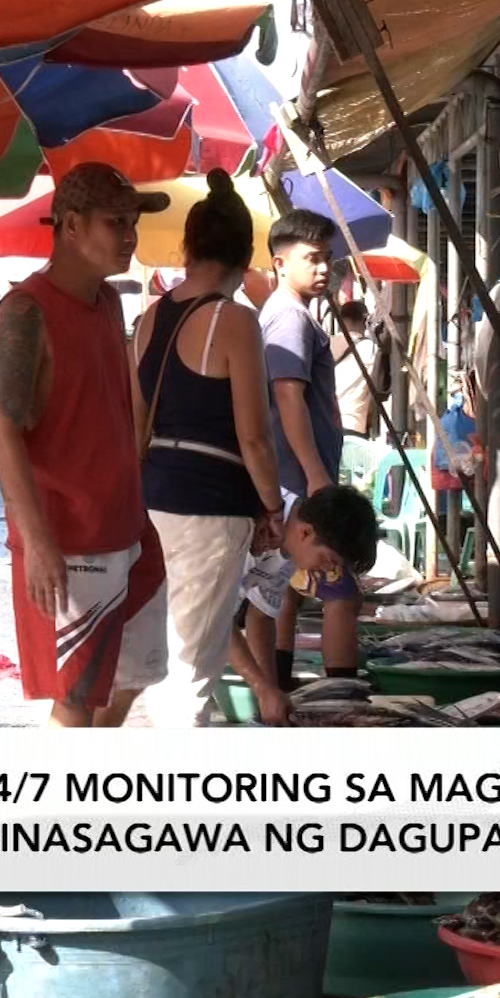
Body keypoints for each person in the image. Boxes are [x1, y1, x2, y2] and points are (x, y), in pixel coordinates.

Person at [0, 161, 172, 728]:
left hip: (124, 526)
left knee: (127, 680)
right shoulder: (25, 310)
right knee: (76, 695)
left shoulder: (110, 301)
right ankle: (60, 811)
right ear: (70, 226)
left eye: (132, 222)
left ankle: (81, 795)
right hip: (69, 537)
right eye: (116, 222)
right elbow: (0, 428)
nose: (130, 236)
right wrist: (38, 542)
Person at [131, 169, 292, 727]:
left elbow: (135, 425)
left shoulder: (150, 317)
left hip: (153, 501)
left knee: (168, 654)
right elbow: (254, 435)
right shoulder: (236, 321)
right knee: (191, 669)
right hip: (209, 509)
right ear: (247, 254)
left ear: (189, 246)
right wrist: (272, 508)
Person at [252, 209, 363, 684]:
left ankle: (275, 688)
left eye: (328, 259)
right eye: (312, 259)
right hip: (297, 480)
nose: (323, 269)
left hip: (290, 477)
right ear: (279, 263)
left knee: (276, 592)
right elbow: (287, 395)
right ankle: (340, 697)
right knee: (339, 588)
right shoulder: (289, 318)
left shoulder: (289, 315)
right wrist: (316, 474)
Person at [241, 484, 380, 688]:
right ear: (306, 532)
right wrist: (263, 690)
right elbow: (217, 623)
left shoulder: (290, 546)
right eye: (327, 559)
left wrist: (271, 689)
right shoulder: (249, 524)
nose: (326, 570)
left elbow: (260, 615)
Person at [331, 299, 377, 438]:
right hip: (353, 423)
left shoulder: (325, 345)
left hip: (325, 420)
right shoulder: (371, 349)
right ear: (365, 320)